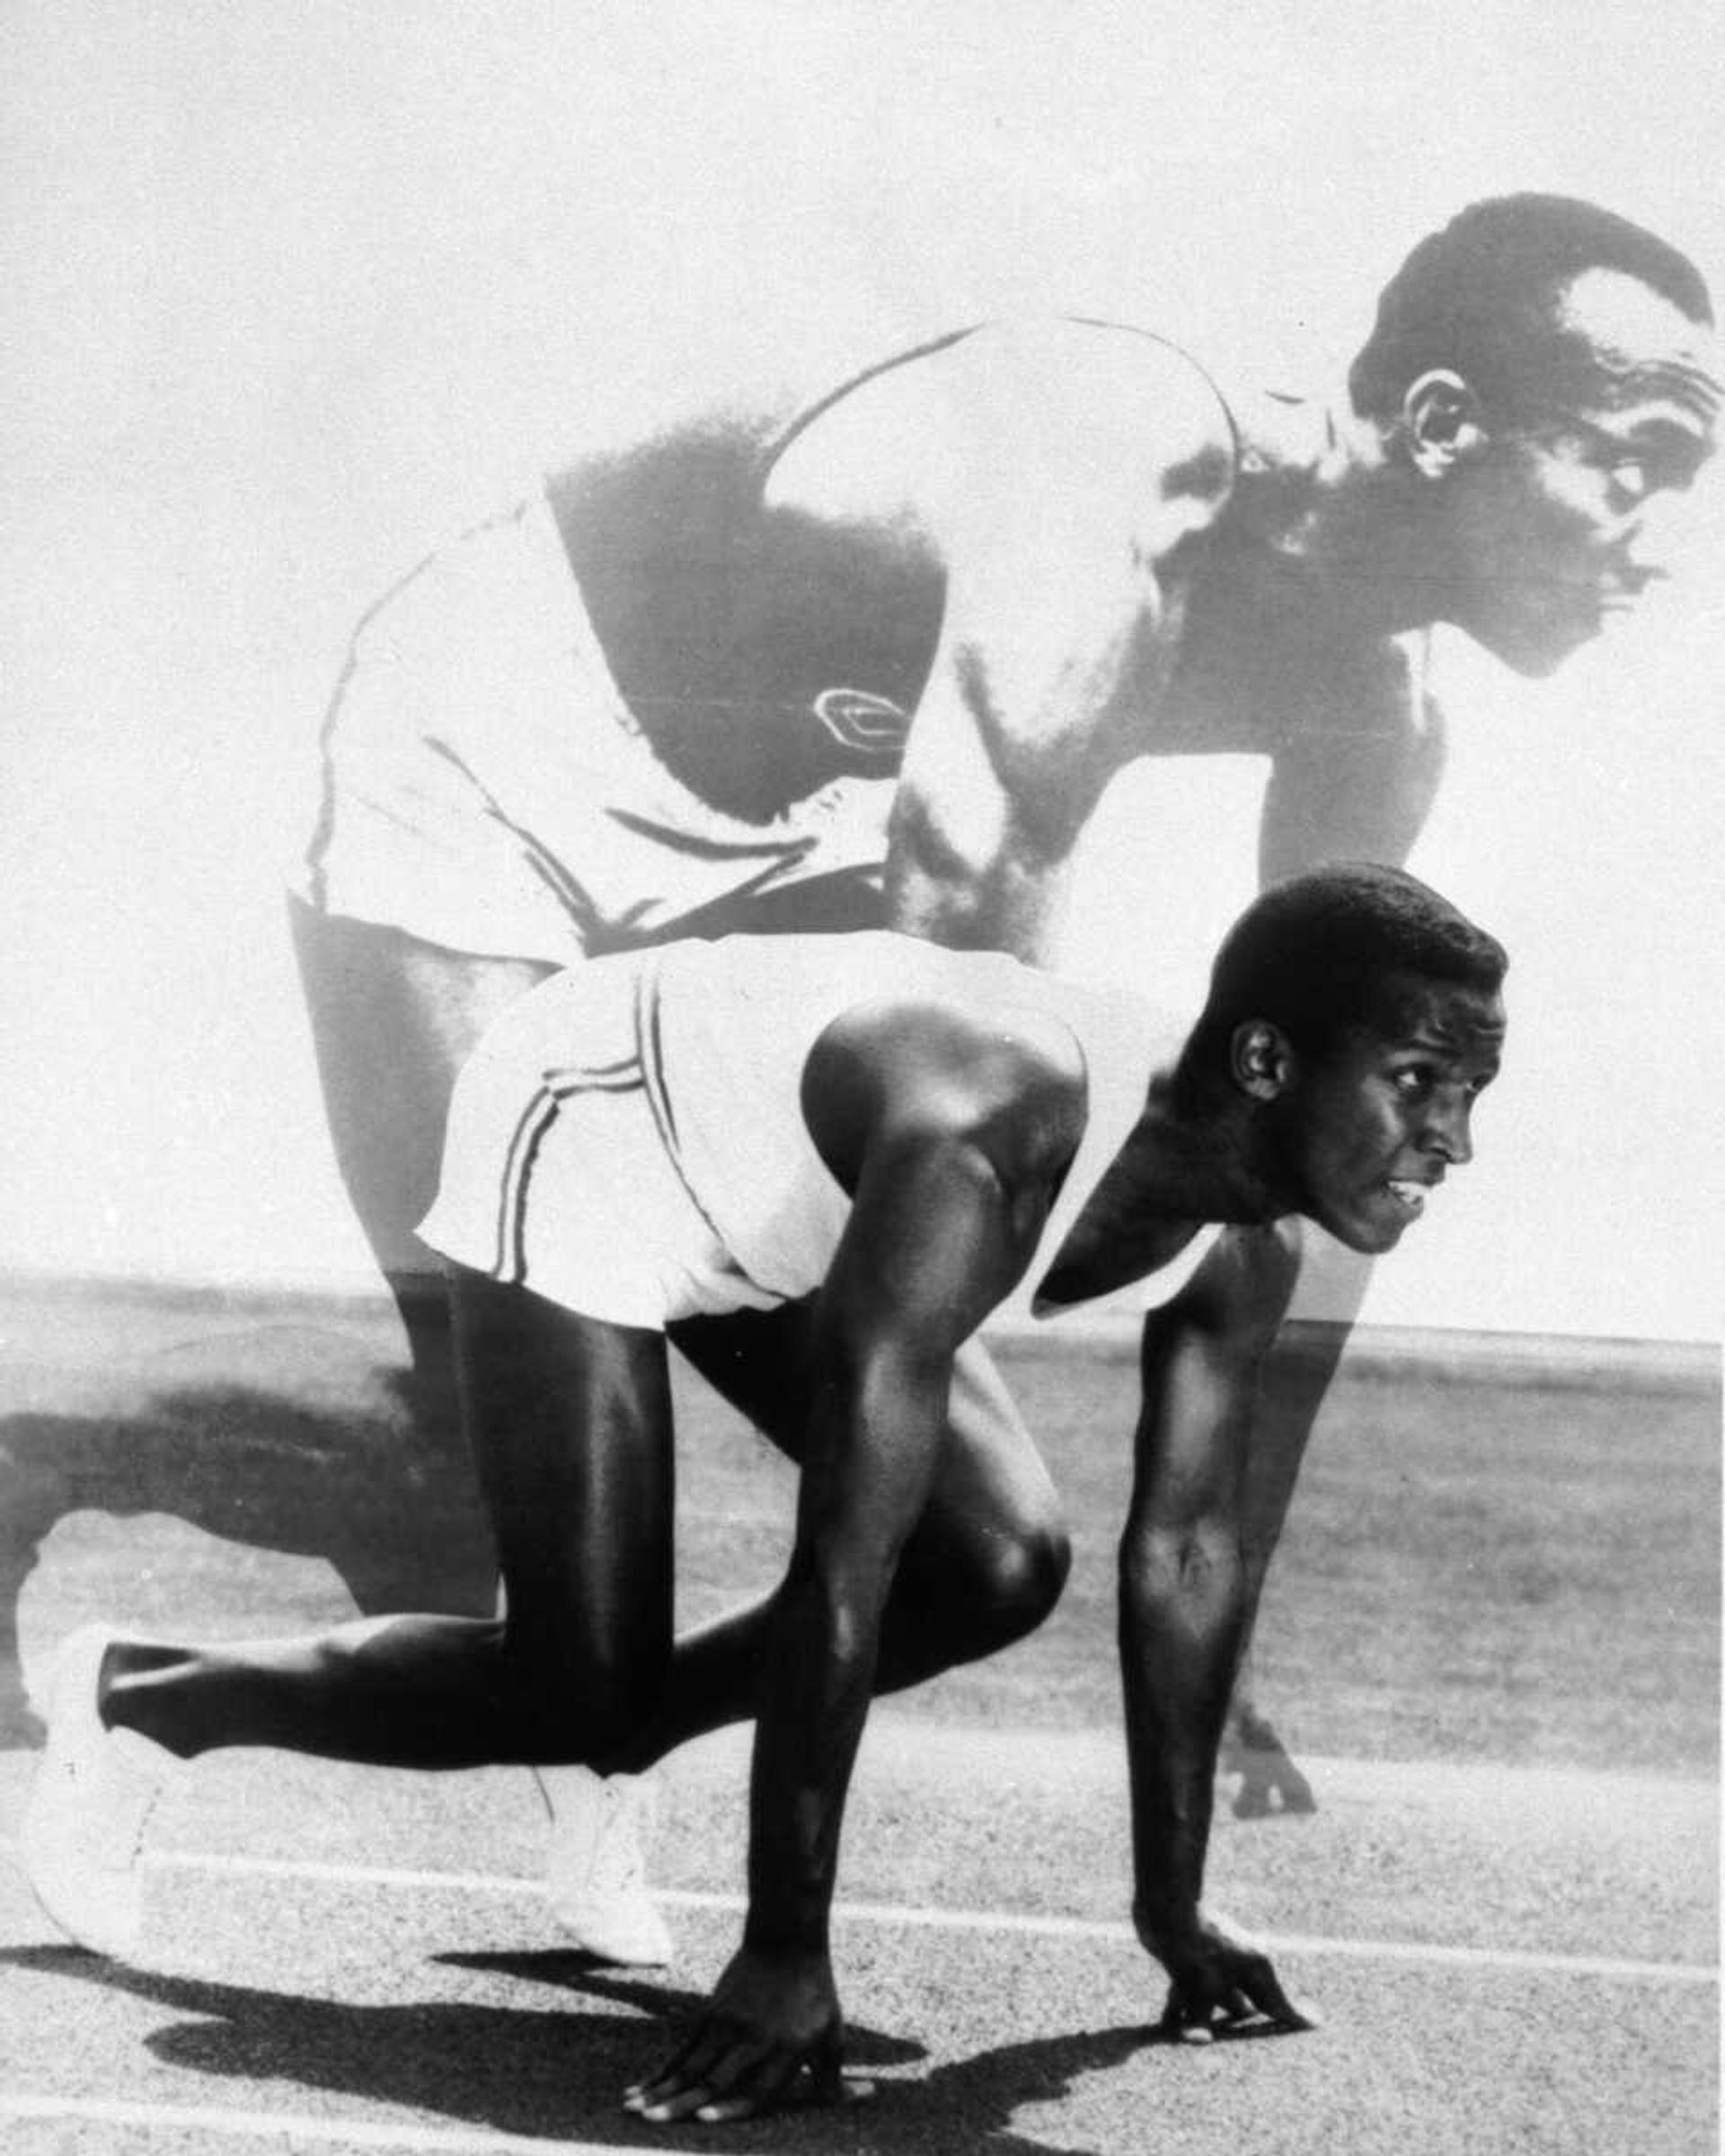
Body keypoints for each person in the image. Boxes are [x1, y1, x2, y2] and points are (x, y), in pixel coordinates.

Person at [287, 191, 1717, 1941]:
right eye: (1639, 460)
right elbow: (961, 989)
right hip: (502, 746)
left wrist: (1207, 1607)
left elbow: (1292, 1166)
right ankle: (105, 1554)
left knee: (979, 1546)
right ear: (1440, 423)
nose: (1667, 540)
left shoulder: (1385, 716)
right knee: (473, 1472)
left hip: (782, 838)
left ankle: (606, 1731)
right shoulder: (1115, 489)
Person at [25, 863, 1508, 2122]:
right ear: (1266, 1064)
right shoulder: (996, 1130)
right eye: (1419, 1083)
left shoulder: (1255, 1239)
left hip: (796, 1203)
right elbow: (842, 1563)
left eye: (1471, 1090)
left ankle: (612, 1747)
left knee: (997, 1562)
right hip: (606, 1120)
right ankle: (141, 1695)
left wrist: (1170, 1909)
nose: (1453, 1138)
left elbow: (1184, 1553)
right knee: (574, 1684)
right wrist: (784, 1948)